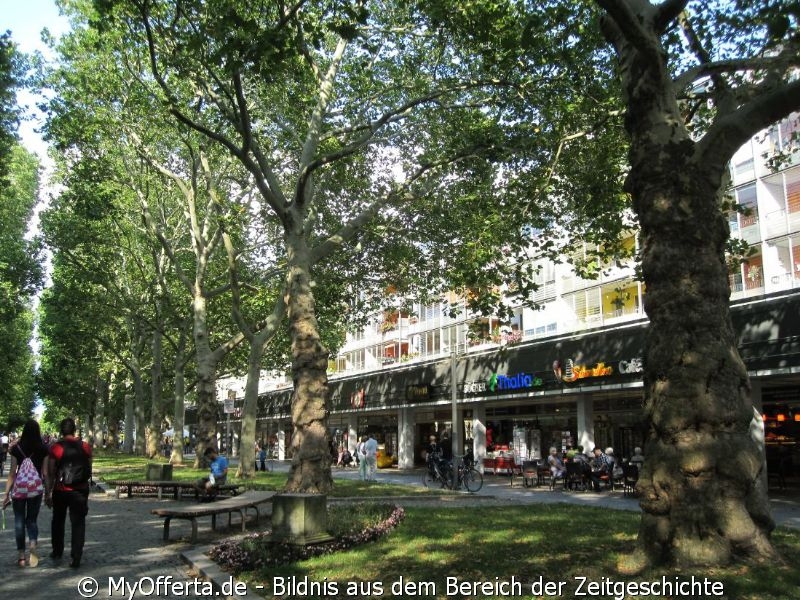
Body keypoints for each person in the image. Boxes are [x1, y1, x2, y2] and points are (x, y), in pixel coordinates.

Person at [44, 417, 92, 569]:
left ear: (61, 430)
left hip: (61, 489)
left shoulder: (56, 448)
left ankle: (57, 550)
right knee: (78, 523)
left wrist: (48, 493)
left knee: (58, 521)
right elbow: (89, 467)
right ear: (75, 430)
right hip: (80, 489)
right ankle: (76, 556)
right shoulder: (85, 446)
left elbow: (51, 472)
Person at [3, 420, 48, 567]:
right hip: (35, 488)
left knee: (19, 521)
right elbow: (46, 473)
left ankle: (21, 556)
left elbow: (11, 473)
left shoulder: (17, 448)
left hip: (20, 488)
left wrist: (6, 494)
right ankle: (33, 545)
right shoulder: (43, 448)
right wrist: (48, 493)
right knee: (32, 520)